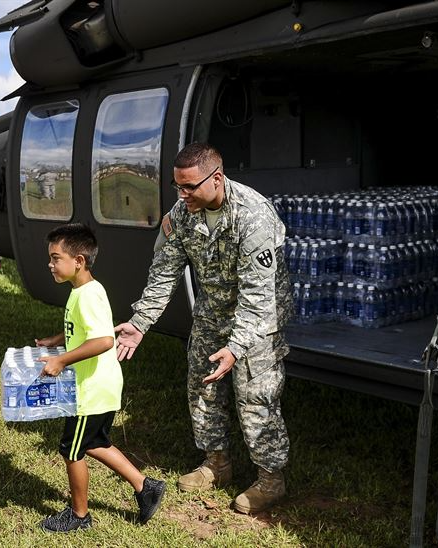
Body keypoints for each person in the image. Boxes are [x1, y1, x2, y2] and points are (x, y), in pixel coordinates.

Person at [114, 142, 292, 514]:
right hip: (212, 313)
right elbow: (164, 272)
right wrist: (141, 323)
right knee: (203, 388)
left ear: (217, 179)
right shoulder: (182, 214)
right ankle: (218, 464)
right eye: (178, 186)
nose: (182, 195)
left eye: (190, 186)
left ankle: (270, 479)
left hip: (258, 322)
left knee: (256, 396)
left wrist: (236, 346)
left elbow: (258, 296)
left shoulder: (253, 215)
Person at [35, 223, 166, 532]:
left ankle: (79, 516)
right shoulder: (83, 290)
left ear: (78, 261)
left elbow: (104, 340)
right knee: (94, 443)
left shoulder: (87, 295)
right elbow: (88, 332)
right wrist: (59, 339)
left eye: (56, 258)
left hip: (89, 390)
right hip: (101, 385)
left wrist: (62, 361)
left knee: (71, 449)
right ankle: (145, 486)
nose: (50, 264)